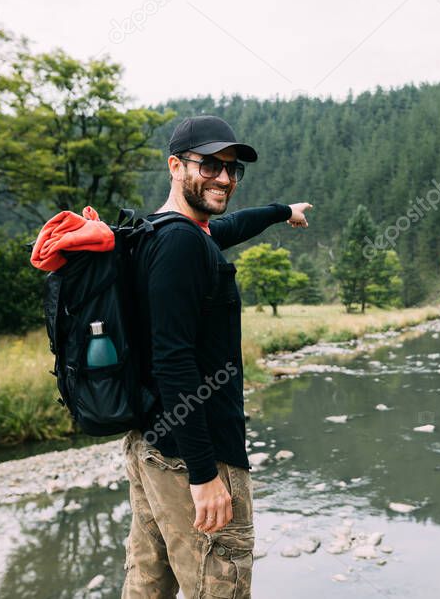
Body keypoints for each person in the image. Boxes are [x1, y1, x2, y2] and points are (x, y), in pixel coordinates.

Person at [122, 114, 311, 598]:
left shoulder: (158, 232)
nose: (224, 178)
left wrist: (280, 210)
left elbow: (227, 227)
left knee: (147, 581)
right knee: (218, 586)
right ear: (175, 166)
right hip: (192, 456)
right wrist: (206, 475)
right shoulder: (183, 244)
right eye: (209, 166)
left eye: (231, 169)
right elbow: (174, 361)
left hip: (150, 444)